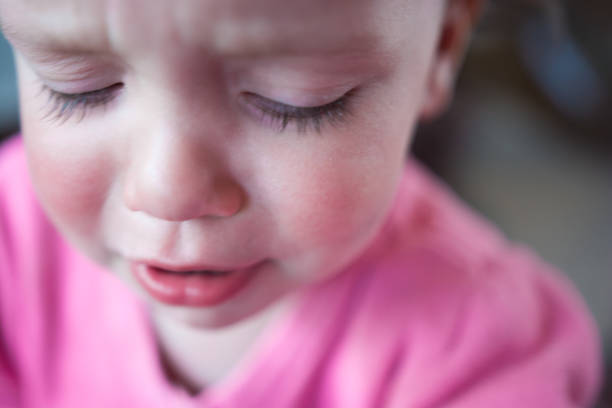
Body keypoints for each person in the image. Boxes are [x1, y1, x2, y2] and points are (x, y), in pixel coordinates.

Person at [0, 0, 601, 406]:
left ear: (442, 49)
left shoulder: (484, 355)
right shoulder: (11, 240)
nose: (169, 192)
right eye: (77, 86)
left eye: (294, 100)